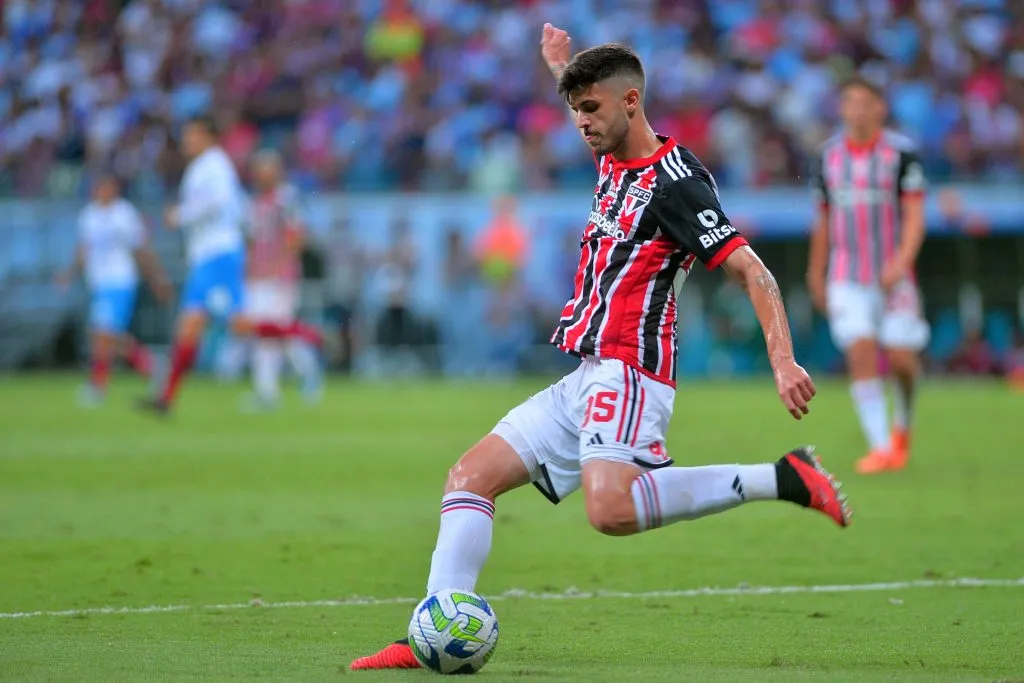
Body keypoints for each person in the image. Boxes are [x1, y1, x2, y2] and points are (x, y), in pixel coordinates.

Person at [350, 27, 850, 671]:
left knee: (610, 510)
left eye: (590, 108)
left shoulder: (677, 184)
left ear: (632, 102)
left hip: (632, 370)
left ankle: (781, 478)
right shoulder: (613, 155)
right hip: (588, 372)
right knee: (469, 478)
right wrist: (563, 67)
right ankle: (432, 628)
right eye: (575, 109)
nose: (581, 122)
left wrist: (782, 359)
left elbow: (752, 271)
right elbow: (592, 113)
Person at [137, 117, 319, 415]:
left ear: (209, 136)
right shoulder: (207, 168)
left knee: (227, 324)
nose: (187, 141)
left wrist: (180, 215)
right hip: (211, 256)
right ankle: (166, 398)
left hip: (218, 254)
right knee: (207, 326)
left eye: (193, 135)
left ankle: (307, 336)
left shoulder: (215, 166)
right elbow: (239, 212)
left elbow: (219, 202)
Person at [806, 76, 929, 475]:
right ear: (842, 109)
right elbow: (823, 221)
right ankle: (880, 448)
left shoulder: (902, 156)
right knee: (860, 351)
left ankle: (903, 426)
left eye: (865, 102)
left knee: (902, 361)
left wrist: (902, 261)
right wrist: (816, 272)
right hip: (846, 275)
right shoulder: (828, 157)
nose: (857, 110)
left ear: (880, 108)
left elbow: (915, 216)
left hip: (893, 275)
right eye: (850, 102)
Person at [56, 173, 171, 406]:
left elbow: (141, 249)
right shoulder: (89, 215)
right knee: (109, 336)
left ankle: (98, 386)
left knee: (103, 333)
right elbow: (83, 250)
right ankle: (153, 366)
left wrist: (156, 278)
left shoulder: (124, 214)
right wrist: (69, 274)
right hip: (99, 283)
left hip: (120, 281)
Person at [243, 149, 322, 409]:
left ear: (276, 171)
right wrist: (250, 269)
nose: (260, 176)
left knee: (273, 330)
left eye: (265, 170)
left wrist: (277, 268)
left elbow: (297, 237)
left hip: (281, 278)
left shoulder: (286, 199)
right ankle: (300, 374)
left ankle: (276, 388)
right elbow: (252, 242)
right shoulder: (255, 203)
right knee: (269, 332)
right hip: (258, 277)